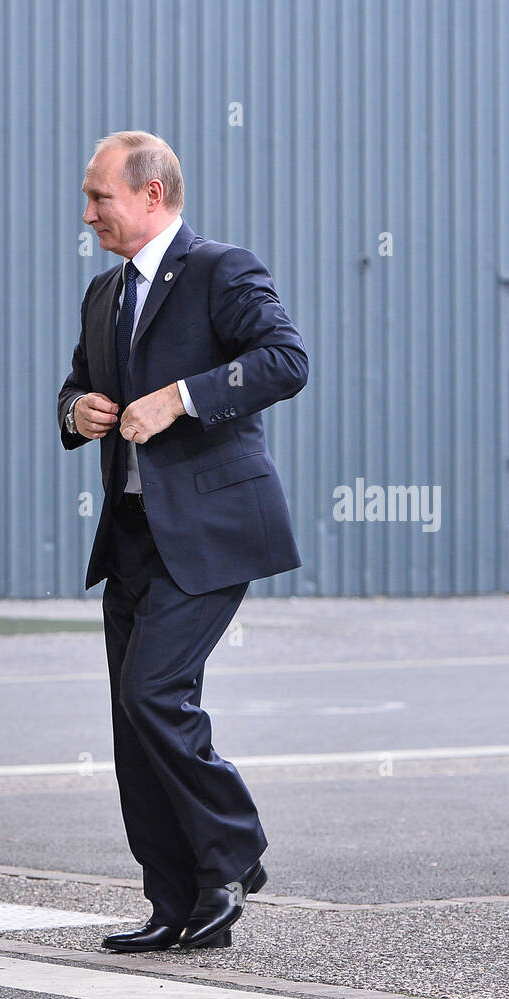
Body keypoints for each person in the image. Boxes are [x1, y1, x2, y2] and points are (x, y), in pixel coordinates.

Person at [57, 131, 307, 951]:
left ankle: (234, 849)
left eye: (101, 196)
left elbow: (285, 359)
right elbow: (75, 383)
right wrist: (77, 411)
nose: (88, 210)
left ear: (153, 195)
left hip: (211, 529)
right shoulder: (103, 293)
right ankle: (176, 900)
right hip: (130, 534)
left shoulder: (220, 270)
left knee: (152, 694)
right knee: (133, 724)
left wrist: (181, 398)